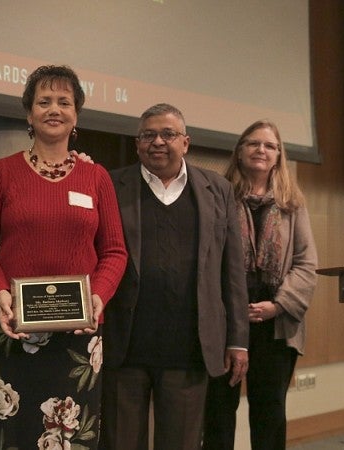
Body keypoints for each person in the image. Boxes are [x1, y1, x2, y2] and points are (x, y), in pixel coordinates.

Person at [0, 65, 128, 450]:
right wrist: (0, 293)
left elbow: (114, 251)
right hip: (14, 331)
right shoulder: (2, 173)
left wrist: (98, 297)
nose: (54, 109)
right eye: (44, 101)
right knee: (12, 436)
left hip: (78, 339)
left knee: (70, 441)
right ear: (29, 113)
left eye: (64, 101)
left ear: (76, 113)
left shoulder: (97, 178)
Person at [101, 103, 249, 450]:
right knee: (119, 443)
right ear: (137, 144)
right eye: (148, 135)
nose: (157, 142)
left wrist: (238, 339)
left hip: (189, 348)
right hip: (125, 345)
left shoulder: (218, 190)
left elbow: (232, 270)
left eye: (168, 134)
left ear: (186, 142)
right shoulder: (110, 184)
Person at [202, 120, 318, 450]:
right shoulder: (217, 197)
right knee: (218, 412)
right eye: (253, 143)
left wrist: (278, 306)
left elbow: (307, 264)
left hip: (276, 322)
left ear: (278, 155)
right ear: (239, 151)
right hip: (226, 320)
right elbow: (208, 261)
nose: (261, 150)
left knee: (269, 412)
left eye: (269, 145)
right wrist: (232, 309)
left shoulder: (292, 204)